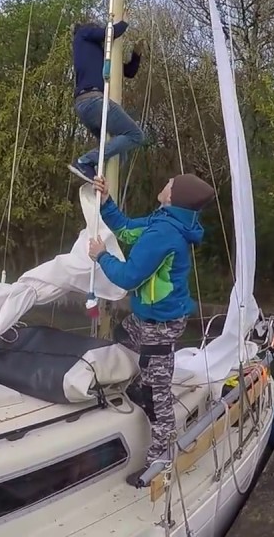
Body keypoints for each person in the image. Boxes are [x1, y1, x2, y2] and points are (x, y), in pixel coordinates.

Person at [85, 172, 216, 487]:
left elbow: (129, 277)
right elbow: (129, 231)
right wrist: (106, 203)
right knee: (123, 336)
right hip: (148, 318)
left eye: (171, 183)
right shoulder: (165, 221)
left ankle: (161, 459)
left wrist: (100, 256)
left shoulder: (165, 235)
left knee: (158, 396)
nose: (167, 182)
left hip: (160, 323)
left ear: (174, 196)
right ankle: (139, 385)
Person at [68, 21, 145, 183]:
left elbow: (129, 72)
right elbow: (110, 33)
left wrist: (136, 55)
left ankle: (96, 178)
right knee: (135, 135)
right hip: (93, 100)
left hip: (87, 105)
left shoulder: (99, 56)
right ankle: (84, 162)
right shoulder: (82, 34)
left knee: (118, 156)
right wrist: (124, 21)